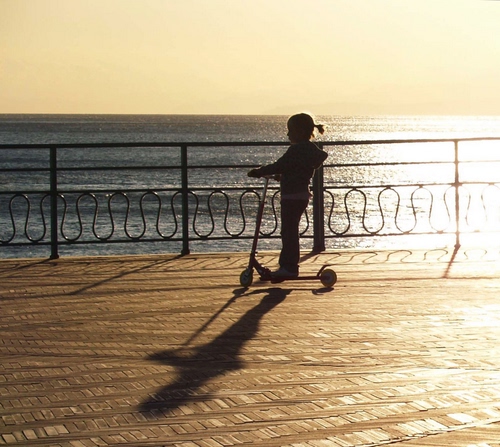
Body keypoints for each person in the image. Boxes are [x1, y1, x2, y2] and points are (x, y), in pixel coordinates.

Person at [247, 113, 328, 278]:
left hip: (291, 196)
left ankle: (289, 267)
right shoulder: (309, 149)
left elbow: (280, 165)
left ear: (300, 131)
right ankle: (288, 265)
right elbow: (298, 167)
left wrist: (259, 171)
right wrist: (284, 175)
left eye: (291, 131)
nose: (288, 134)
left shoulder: (296, 150)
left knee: (288, 232)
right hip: (301, 195)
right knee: (290, 230)